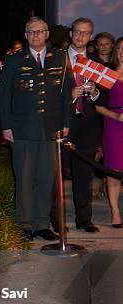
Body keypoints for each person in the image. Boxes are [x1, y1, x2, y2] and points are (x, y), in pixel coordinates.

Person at [0, 17, 72, 241]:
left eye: (40, 32)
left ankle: (41, 223)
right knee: (24, 177)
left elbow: (66, 93)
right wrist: (6, 126)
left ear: (47, 34)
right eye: (31, 32)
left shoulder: (60, 58)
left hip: (50, 128)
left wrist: (66, 123)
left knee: (45, 178)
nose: (36, 36)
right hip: (22, 128)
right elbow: (4, 95)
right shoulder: (14, 60)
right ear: (26, 34)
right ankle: (25, 223)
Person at [51, 17, 102, 233]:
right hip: (64, 124)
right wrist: (68, 96)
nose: (81, 36)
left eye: (86, 32)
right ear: (71, 34)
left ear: (91, 37)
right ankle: (57, 218)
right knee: (58, 175)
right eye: (78, 31)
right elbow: (47, 95)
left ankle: (84, 219)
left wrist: (96, 93)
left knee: (85, 175)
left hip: (88, 126)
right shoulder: (57, 59)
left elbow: (106, 98)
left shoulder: (96, 63)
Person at [96, 37, 123, 227]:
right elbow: (97, 106)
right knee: (114, 170)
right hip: (114, 125)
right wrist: (117, 116)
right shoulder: (108, 74)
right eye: (120, 48)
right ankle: (115, 212)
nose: (122, 51)